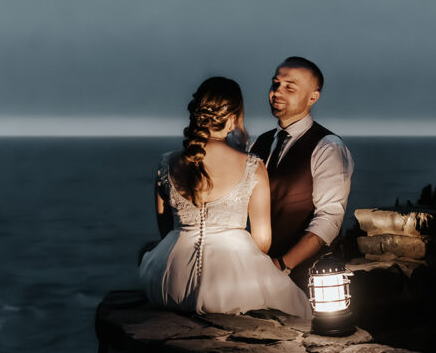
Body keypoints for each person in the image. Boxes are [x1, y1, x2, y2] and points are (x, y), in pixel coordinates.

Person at [138, 77, 313, 318]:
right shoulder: (253, 166)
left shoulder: (166, 163)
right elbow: (262, 242)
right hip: (232, 287)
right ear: (232, 120)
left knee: (146, 252)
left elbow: (165, 230)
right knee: (301, 306)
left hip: (168, 283)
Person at [250, 57, 354, 289]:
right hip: (253, 271)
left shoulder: (328, 147)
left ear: (313, 97)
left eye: (289, 87)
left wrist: (282, 265)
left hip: (301, 276)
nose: (277, 92)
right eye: (275, 84)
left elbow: (328, 219)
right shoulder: (258, 143)